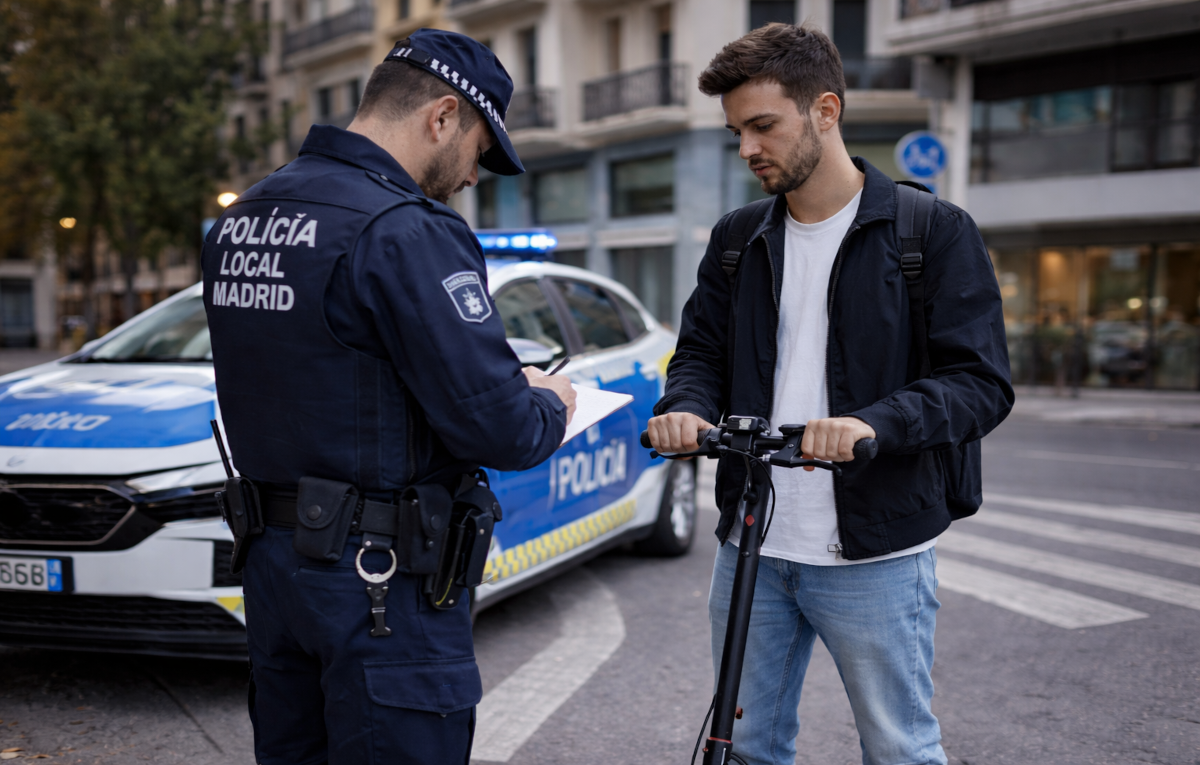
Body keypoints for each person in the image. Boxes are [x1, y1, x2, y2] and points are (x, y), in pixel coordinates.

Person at [201, 29, 575, 765]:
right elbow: (501, 429)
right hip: (380, 586)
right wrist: (549, 397)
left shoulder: (245, 217)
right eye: (477, 149)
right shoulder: (405, 229)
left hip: (274, 570)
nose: (473, 175)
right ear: (442, 117)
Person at [646, 23, 1013, 765]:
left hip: (875, 552)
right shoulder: (736, 239)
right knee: (744, 743)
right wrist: (682, 407)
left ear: (826, 110)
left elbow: (980, 384)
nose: (748, 148)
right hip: (751, 537)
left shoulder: (930, 232)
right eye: (736, 132)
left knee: (899, 747)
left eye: (763, 125)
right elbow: (700, 354)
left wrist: (871, 424)